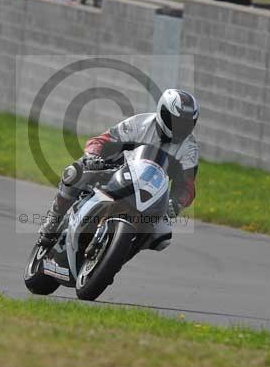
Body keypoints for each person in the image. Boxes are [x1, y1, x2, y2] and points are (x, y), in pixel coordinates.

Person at [37, 89, 200, 250]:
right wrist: (92, 156)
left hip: (151, 193)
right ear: (163, 113)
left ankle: (115, 259)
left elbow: (187, 185)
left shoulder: (189, 148)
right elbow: (101, 140)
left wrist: (177, 203)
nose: (181, 128)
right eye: (177, 122)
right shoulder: (140, 124)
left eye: (186, 124)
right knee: (75, 172)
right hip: (117, 173)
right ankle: (54, 219)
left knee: (162, 236)